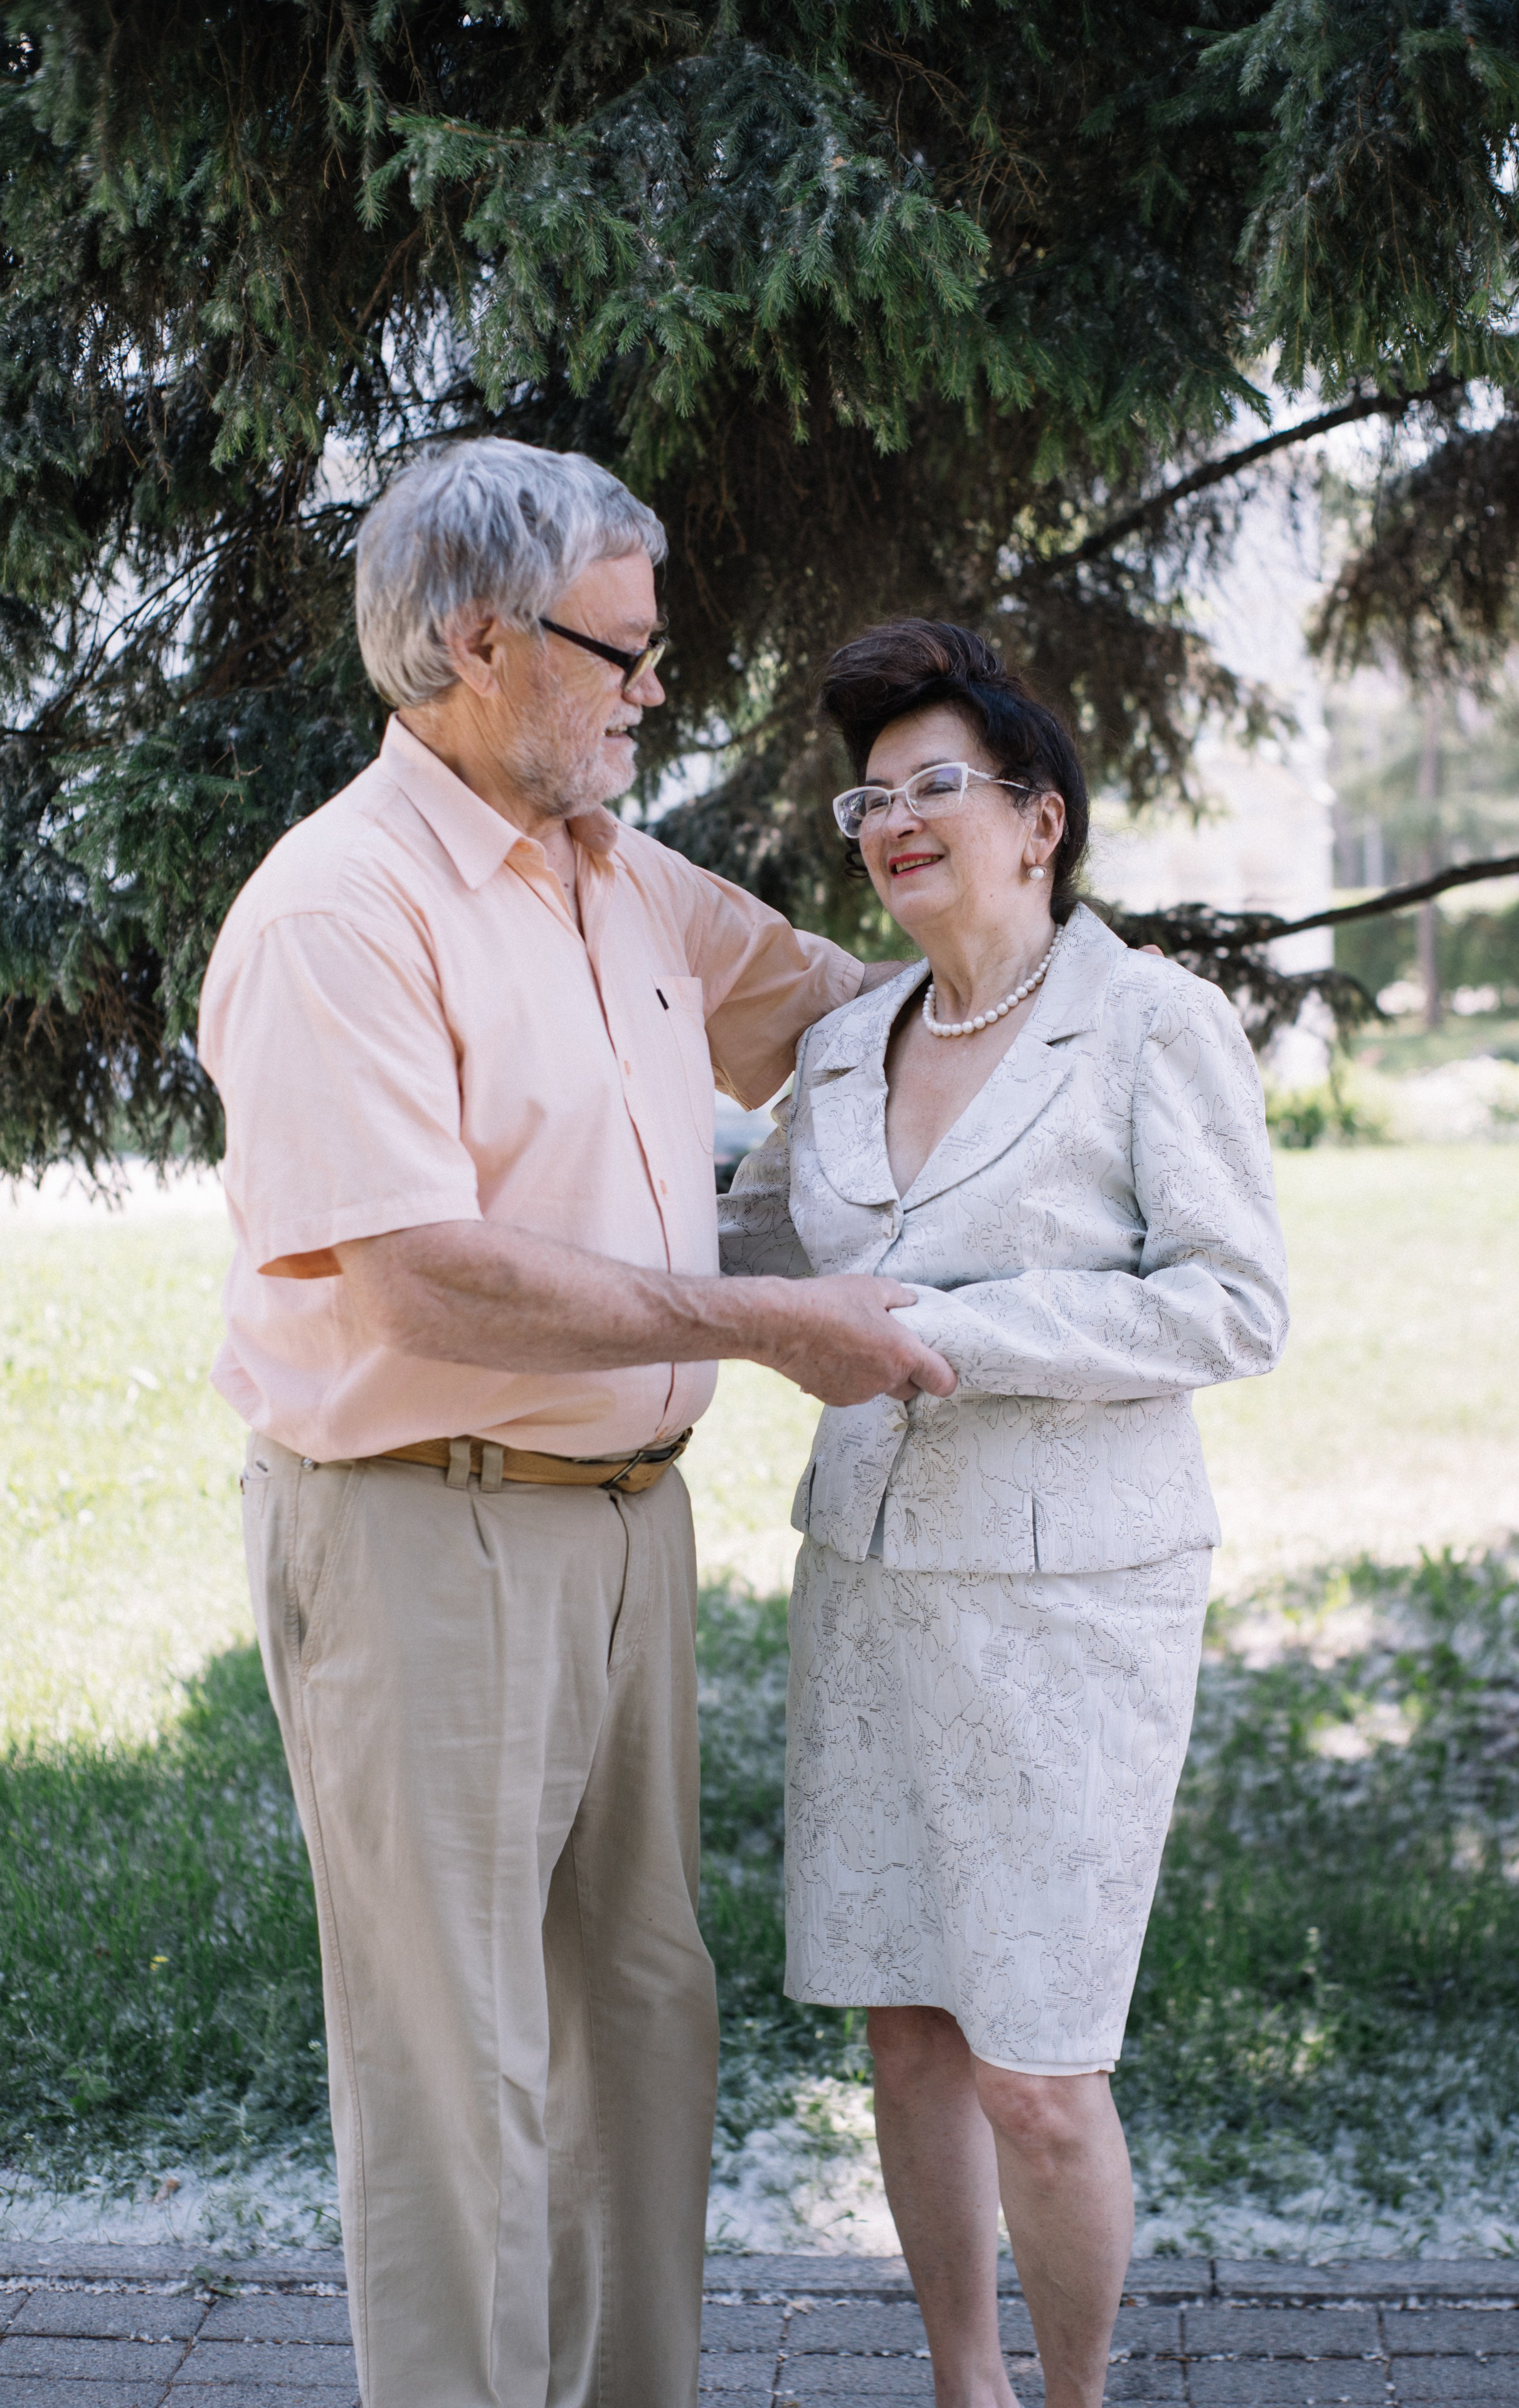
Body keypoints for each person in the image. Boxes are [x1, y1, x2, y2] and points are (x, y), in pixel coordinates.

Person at [196, 442, 957, 2408]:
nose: (652, 688)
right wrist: (767, 1319)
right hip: (415, 1529)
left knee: (637, 2021)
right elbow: (416, 1278)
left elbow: (854, 1012)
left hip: (629, 1523)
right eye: (621, 650)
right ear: (477, 641)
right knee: (456, 2058)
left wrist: (1046, 962)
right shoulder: (338, 916)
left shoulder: (626, 884)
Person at [719, 621, 1289, 2408]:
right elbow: (735, 1256)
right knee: (907, 2034)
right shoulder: (841, 1045)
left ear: (1041, 822)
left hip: (1072, 1613)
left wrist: (950, 1335)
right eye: (869, 799)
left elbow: (1232, 1304)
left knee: (1038, 2067)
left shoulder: (1152, 1023)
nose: (894, 822)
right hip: (874, 1591)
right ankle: (965, 2388)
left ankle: (1075, 2397)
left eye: (935, 787)